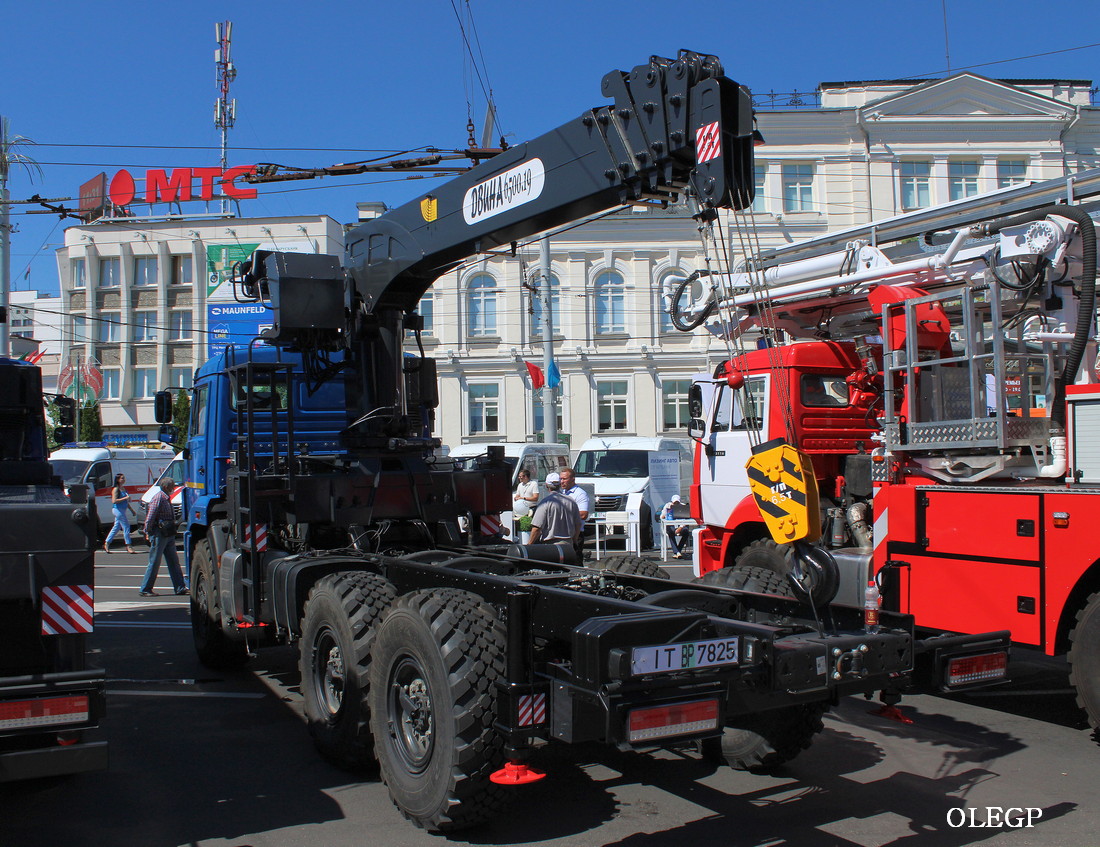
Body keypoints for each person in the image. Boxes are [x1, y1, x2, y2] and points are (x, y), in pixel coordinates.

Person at [140, 477, 187, 597]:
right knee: (154, 562)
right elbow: (150, 516)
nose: (174, 488)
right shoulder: (159, 498)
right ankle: (145, 589)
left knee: (174, 561)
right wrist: (147, 531)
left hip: (168, 533)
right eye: (172, 486)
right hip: (159, 533)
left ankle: (180, 587)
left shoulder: (165, 498)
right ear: (166, 487)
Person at [528, 472, 581, 548]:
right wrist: (574, 540)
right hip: (568, 544)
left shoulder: (545, 502)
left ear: (546, 485)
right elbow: (578, 524)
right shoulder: (571, 501)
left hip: (551, 546)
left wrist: (529, 545)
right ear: (560, 485)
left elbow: (537, 528)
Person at [103, 473, 136, 554]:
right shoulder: (116, 489)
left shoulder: (124, 489)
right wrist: (125, 498)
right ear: (118, 480)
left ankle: (107, 543)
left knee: (116, 527)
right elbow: (114, 501)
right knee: (126, 526)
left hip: (123, 509)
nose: (123, 480)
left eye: (124, 478)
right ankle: (129, 545)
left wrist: (132, 510)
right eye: (122, 478)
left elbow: (126, 502)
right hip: (117, 510)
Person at [512, 468, 539, 544]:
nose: (519, 478)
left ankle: (532, 541)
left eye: (521, 476)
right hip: (521, 509)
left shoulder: (533, 484)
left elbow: (535, 498)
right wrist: (517, 497)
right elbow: (518, 495)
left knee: (532, 525)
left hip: (531, 508)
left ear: (526, 477)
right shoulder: (520, 485)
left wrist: (523, 498)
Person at [662, 494, 691, 559]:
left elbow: (686, 518)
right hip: (671, 525)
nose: (676, 503)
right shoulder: (667, 505)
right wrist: (667, 512)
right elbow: (662, 516)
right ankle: (677, 552)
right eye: (674, 502)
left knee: (686, 531)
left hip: (681, 525)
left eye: (677, 502)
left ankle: (677, 551)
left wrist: (680, 527)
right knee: (670, 532)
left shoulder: (683, 506)